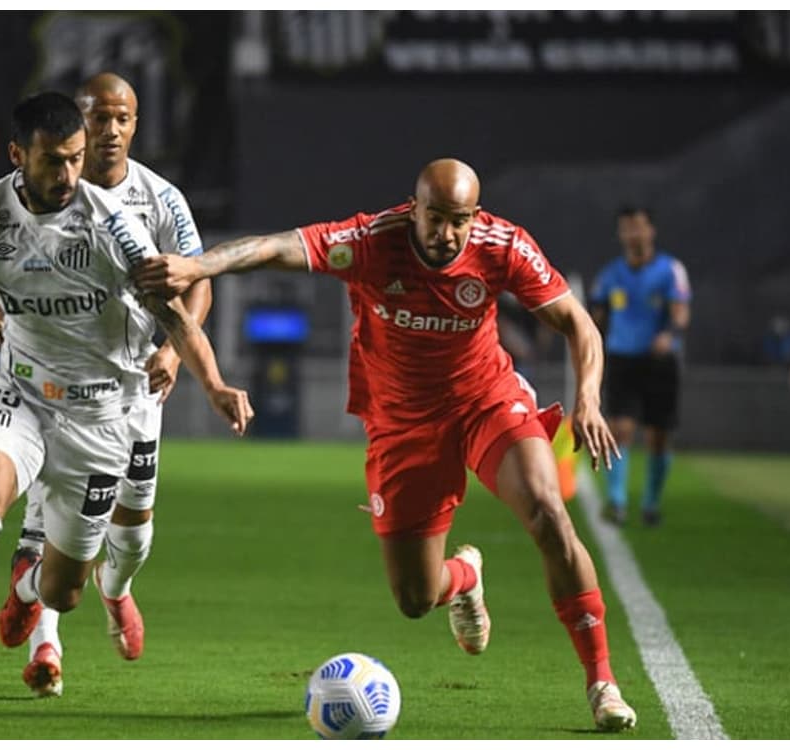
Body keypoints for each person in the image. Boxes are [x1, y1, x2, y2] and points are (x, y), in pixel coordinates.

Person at [132, 158, 638, 732]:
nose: (446, 234)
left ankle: (602, 683)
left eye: (459, 221)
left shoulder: (503, 246)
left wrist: (588, 399)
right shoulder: (373, 241)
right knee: (416, 598)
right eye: (435, 219)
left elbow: (578, 323)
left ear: (475, 216)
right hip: (402, 426)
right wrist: (197, 265)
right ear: (413, 208)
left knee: (548, 511)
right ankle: (465, 579)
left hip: (486, 402)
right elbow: (273, 247)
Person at [0, 91, 252, 724]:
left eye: (74, 160)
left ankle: (29, 588)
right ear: (18, 156)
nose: (67, 176)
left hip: (101, 418)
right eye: (53, 161)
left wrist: (214, 382)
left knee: (64, 587)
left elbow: (176, 314)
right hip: (23, 393)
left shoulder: (114, 226)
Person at [0, 73, 212, 696]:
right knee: (54, 513)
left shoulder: (160, 198)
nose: (110, 131)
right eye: (98, 119)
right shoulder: (29, 195)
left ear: (135, 124)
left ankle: (115, 589)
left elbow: (198, 279)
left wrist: (175, 355)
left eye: (122, 119)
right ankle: (48, 639)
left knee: (132, 533)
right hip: (52, 389)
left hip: (134, 389)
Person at [587, 207, 692, 527]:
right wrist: (588, 341)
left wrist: (668, 335)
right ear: (620, 234)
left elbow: (681, 312)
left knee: (658, 436)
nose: (633, 234)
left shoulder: (670, 270)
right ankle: (617, 502)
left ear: (651, 231)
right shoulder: (610, 276)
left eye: (638, 228)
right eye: (626, 229)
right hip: (621, 359)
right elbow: (597, 317)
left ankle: (651, 502)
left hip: (659, 361)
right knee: (620, 430)